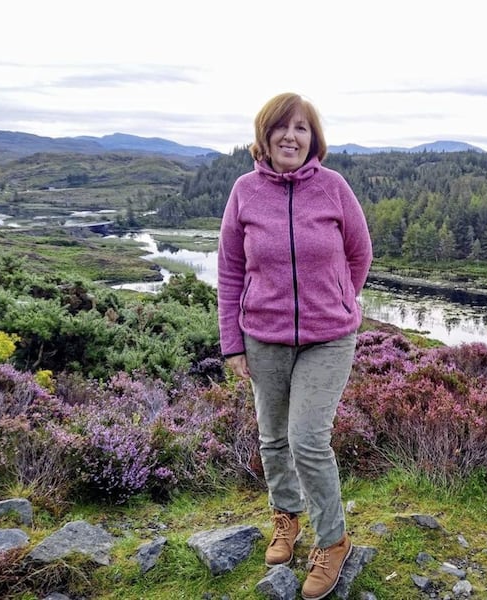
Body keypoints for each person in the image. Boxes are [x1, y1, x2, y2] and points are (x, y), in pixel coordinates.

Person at [217, 92, 373, 600]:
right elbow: (230, 270)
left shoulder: (333, 188)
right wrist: (232, 343)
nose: (291, 136)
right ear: (264, 136)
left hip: (329, 338)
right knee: (272, 438)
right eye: (282, 128)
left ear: (314, 138)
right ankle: (286, 517)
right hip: (263, 337)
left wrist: (340, 298)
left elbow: (359, 252)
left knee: (307, 439)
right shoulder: (244, 192)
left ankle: (334, 540)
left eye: (301, 128)